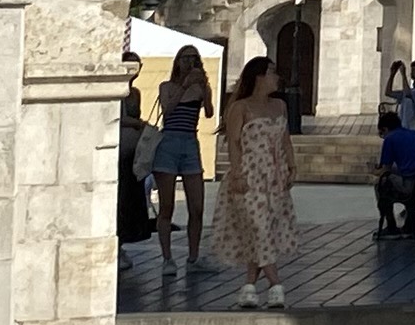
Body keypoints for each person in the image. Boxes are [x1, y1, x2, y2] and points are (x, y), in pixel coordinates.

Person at [221, 55, 297, 307]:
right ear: (259, 76)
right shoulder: (240, 108)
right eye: (272, 72)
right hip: (249, 173)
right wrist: (237, 173)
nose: (277, 77)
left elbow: (285, 138)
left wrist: (291, 165)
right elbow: (233, 142)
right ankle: (276, 284)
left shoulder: (279, 106)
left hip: (274, 175)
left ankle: (249, 287)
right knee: (258, 227)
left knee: (264, 229)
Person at [146, 45, 213, 267]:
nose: (189, 62)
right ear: (177, 61)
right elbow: (169, 109)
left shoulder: (200, 86)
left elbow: (209, 112)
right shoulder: (167, 86)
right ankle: (167, 258)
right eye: (185, 58)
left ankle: (193, 256)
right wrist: (184, 85)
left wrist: (204, 88)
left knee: (197, 206)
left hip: (190, 142)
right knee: (167, 206)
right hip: (169, 142)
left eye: (194, 58)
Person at [373, 100, 415, 235]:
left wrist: (375, 171)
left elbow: (386, 169)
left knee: (381, 183)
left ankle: (391, 226)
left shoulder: (390, 139)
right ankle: (408, 222)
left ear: (384, 129)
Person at [115, 60, 156, 246]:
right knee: (123, 194)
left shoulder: (136, 93)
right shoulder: (118, 92)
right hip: (122, 145)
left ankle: (132, 233)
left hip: (135, 147)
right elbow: (119, 118)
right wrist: (138, 124)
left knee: (134, 192)